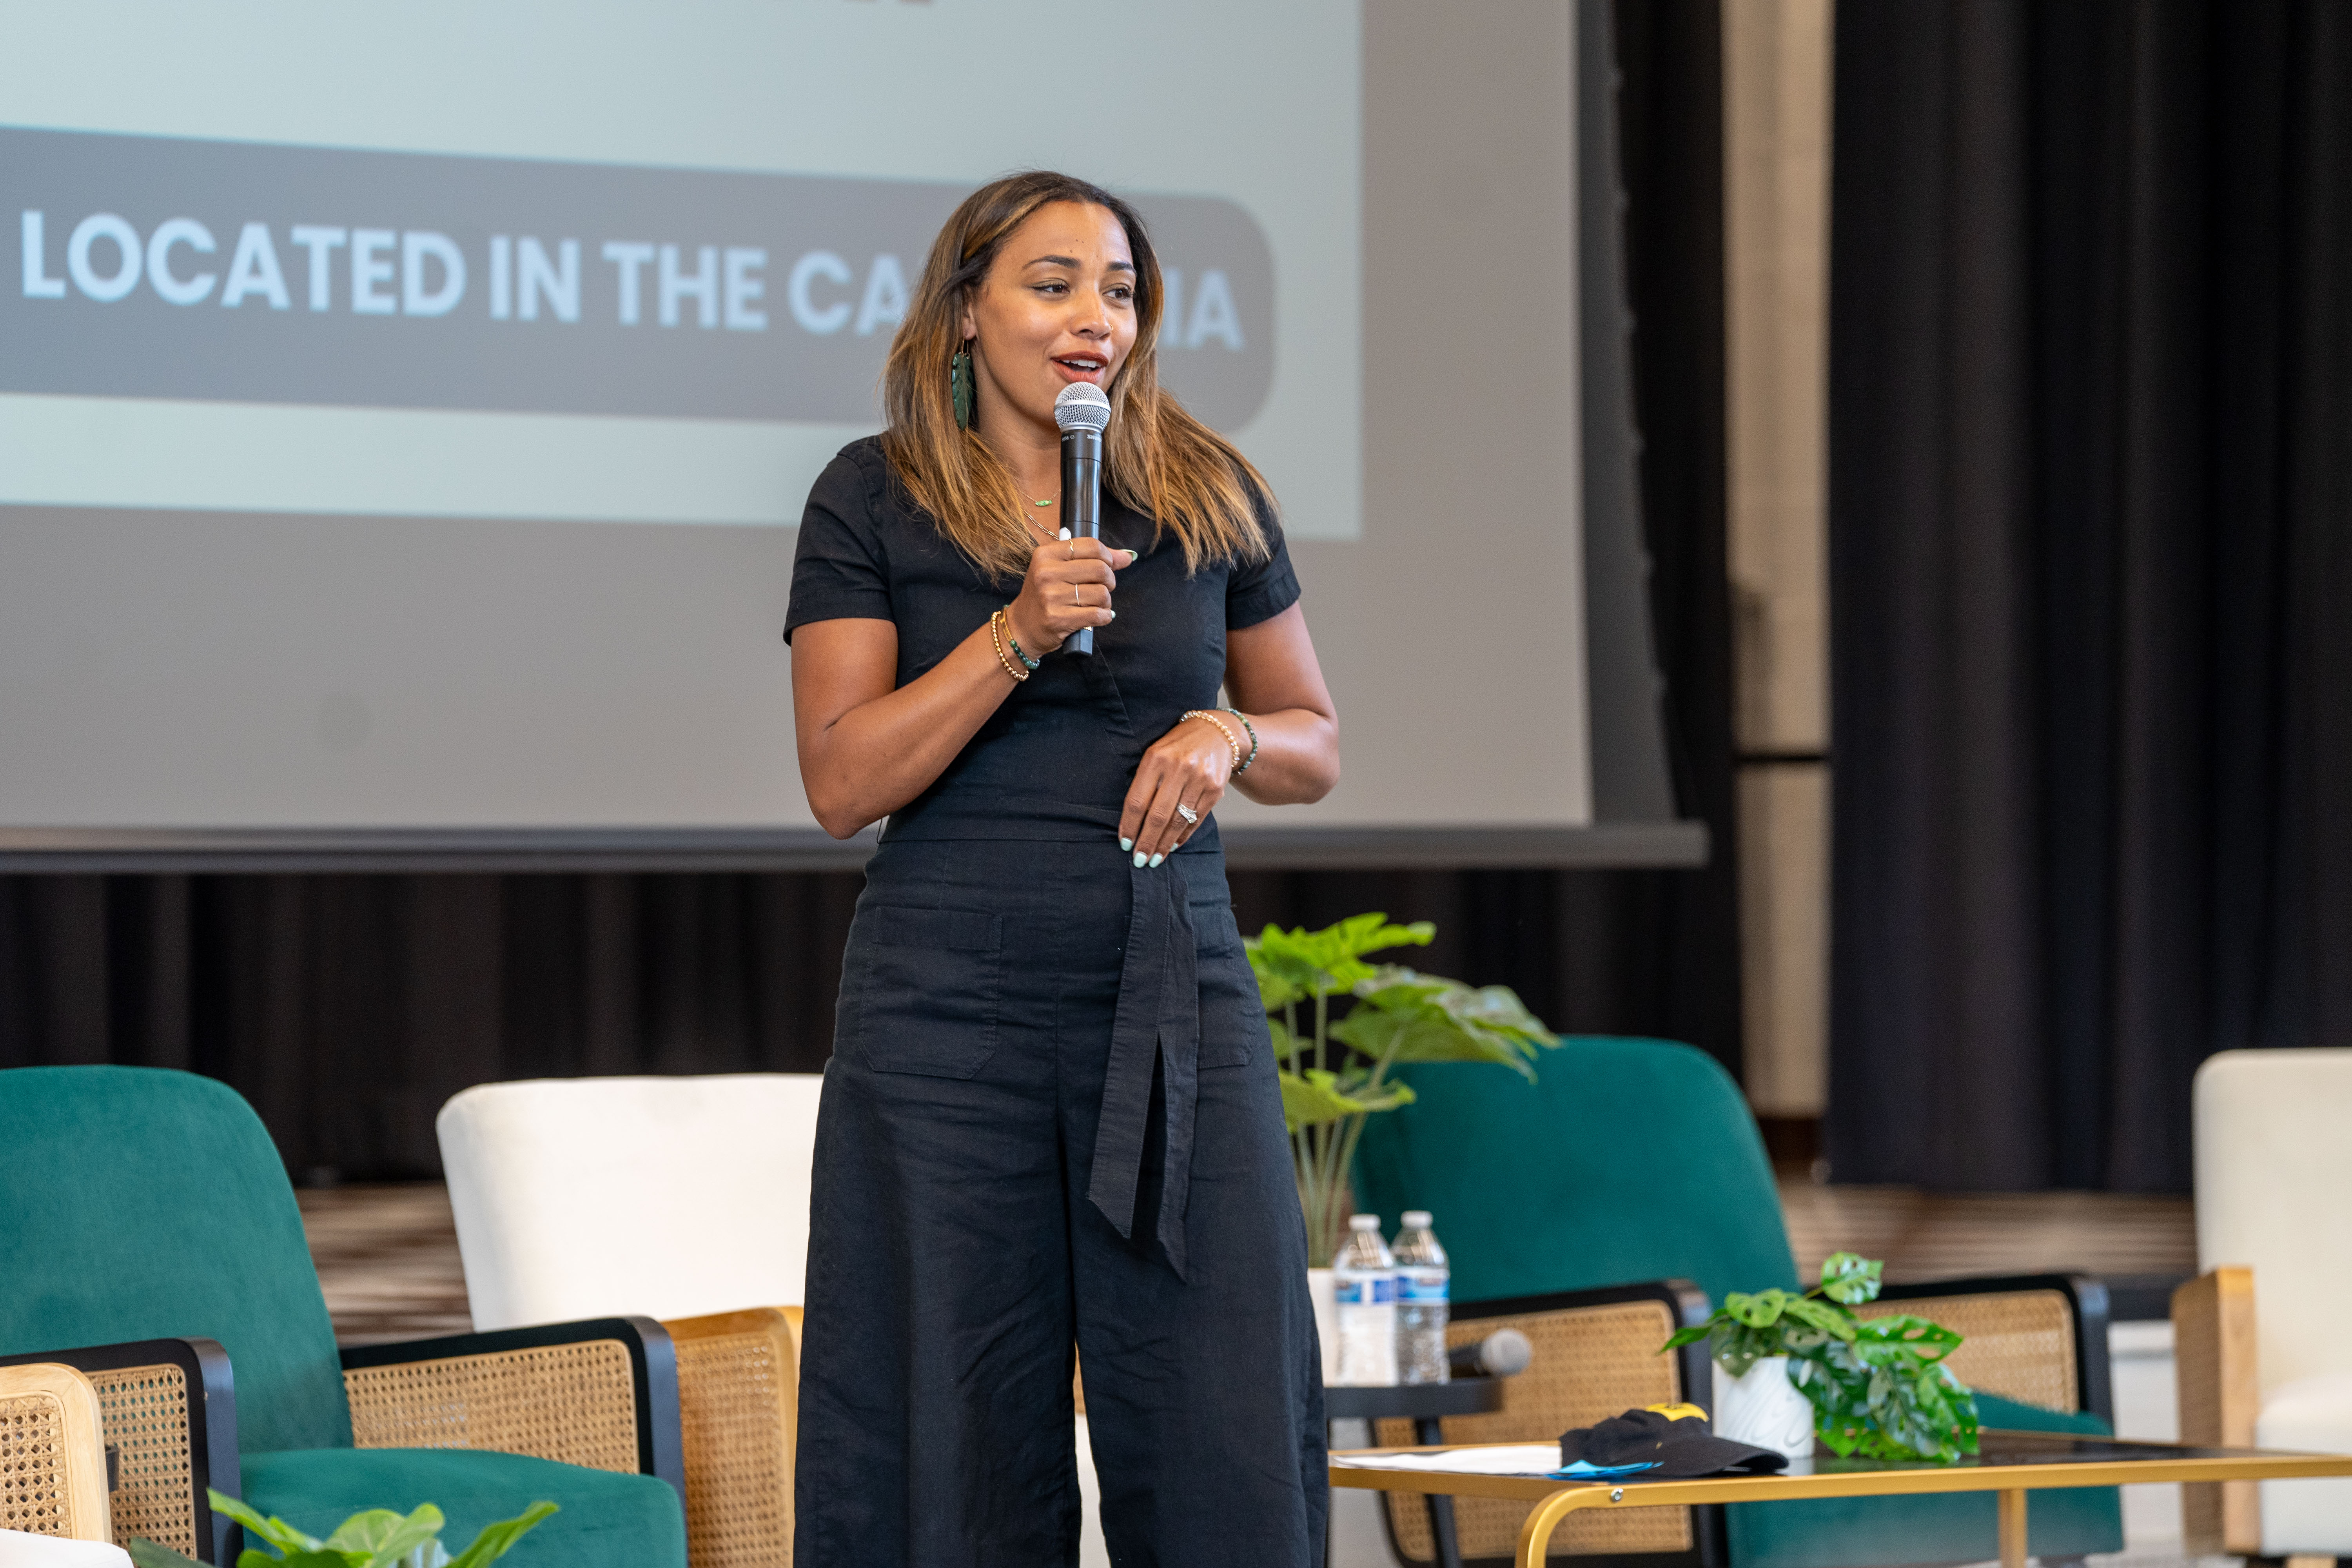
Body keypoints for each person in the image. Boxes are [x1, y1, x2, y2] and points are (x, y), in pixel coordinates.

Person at [784, 169, 1341, 1566]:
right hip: (944, 1020)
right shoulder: (875, 495)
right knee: (945, 1423)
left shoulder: (1207, 492)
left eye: (1122, 291)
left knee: (1222, 1416)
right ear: (966, 310)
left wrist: (1228, 733)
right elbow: (842, 781)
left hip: (1172, 1004)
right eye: (1054, 285)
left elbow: (1315, 740)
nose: (1096, 318)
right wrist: (1015, 636)